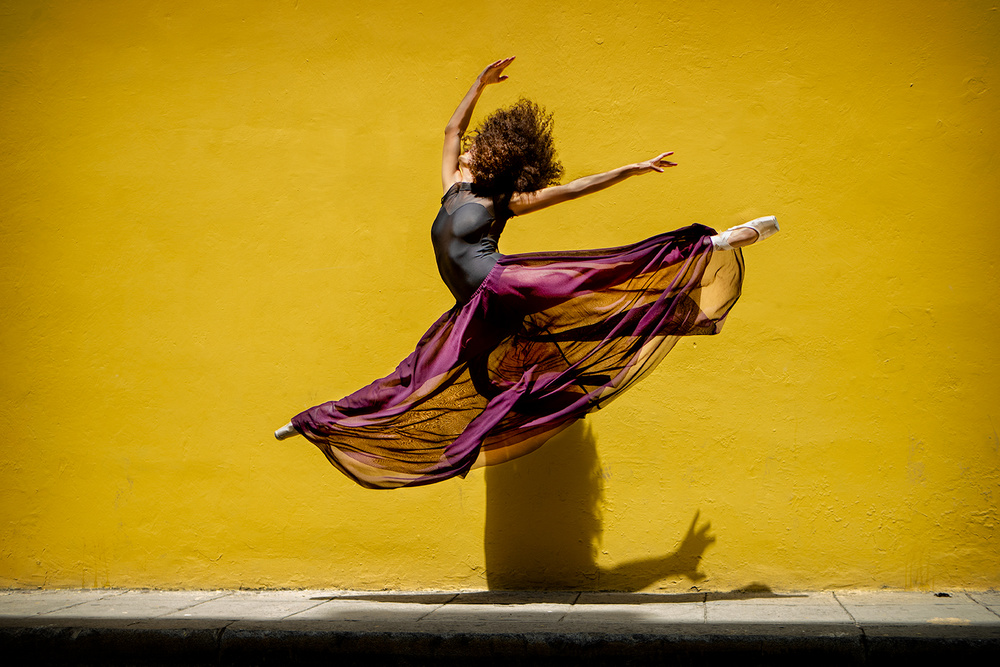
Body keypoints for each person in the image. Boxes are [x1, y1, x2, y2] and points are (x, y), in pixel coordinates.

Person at [274, 57, 778, 489]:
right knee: (416, 375)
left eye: (477, 146)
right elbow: (450, 131)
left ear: (496, 157)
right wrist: (479, 85)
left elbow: (573, 189)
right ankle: (319, 420)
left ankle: (711, 244)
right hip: (473, 310)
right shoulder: (451, 187)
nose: (467, 146)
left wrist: (631, 169)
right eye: (470, 144)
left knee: (592, 278)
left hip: (502, 282)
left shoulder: (502, 201)